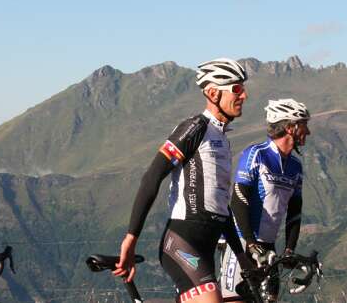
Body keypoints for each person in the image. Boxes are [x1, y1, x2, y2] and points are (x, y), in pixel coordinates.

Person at [113, 58, 253, 303]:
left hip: (207, 246)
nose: (244, 95)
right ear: (212, 93)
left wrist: (241, 256)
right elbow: (152, 177)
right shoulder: (194, 128)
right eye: (237, 89)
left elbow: (221, 206)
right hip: (182, 242)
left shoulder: (221, 138)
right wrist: (130, 238)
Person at [220, 98, 310, 302]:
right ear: (290, 127)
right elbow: (238, 199)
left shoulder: (295, 166)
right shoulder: (257, 154)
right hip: (243, 244)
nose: (308, 132)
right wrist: (251, 245)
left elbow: (295, 211)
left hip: (268, 247)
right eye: (304, 125)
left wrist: (289, 249)